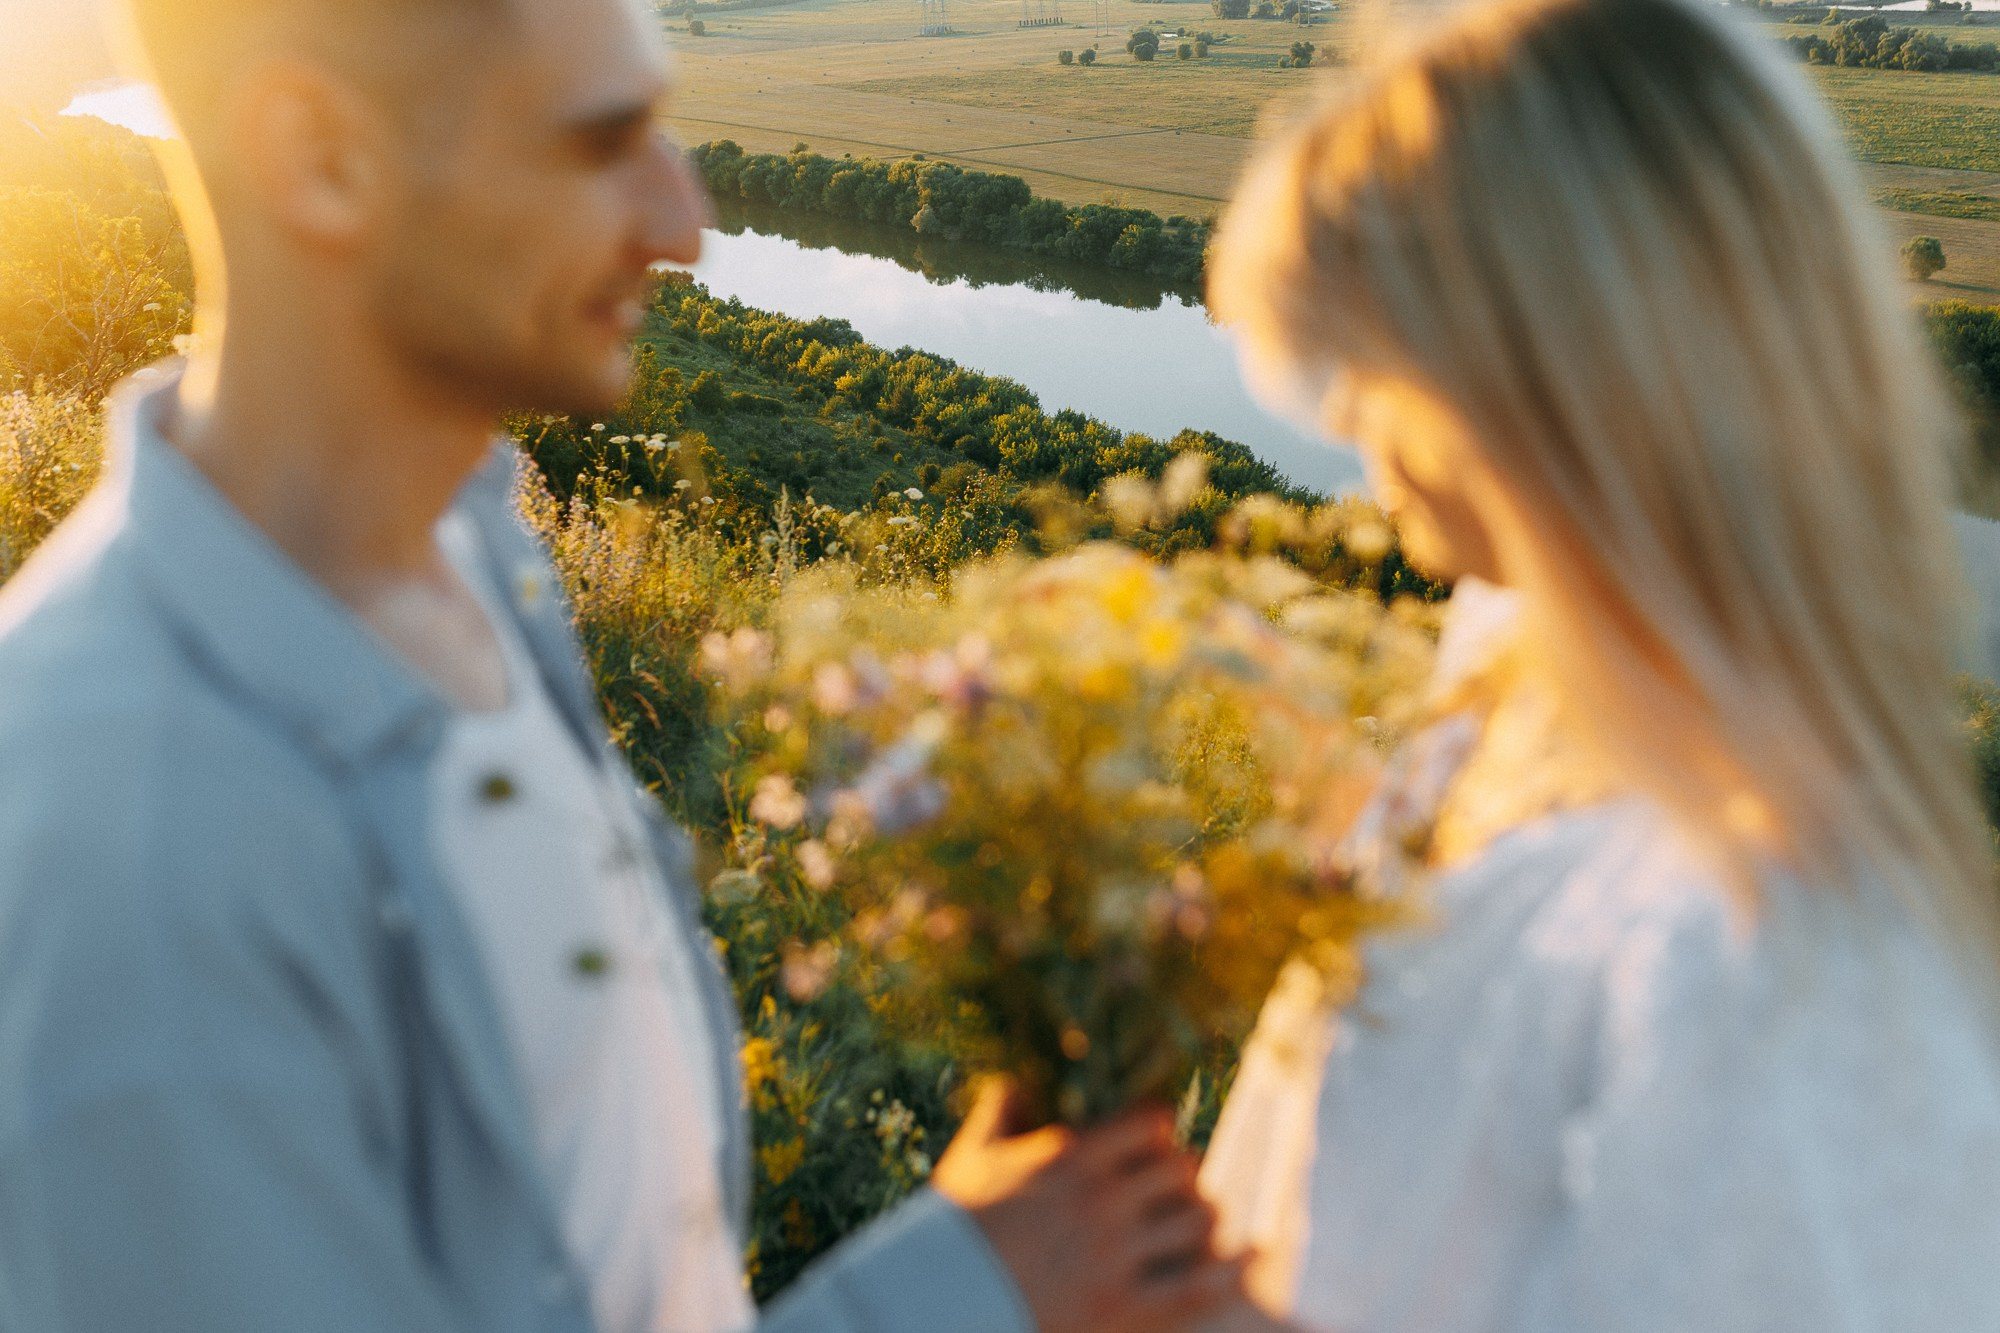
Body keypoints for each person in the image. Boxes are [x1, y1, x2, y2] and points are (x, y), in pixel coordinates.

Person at [0, 0, 1235, 1330]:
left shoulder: (473, 560)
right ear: (318, 156)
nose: (685, 221)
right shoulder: (128, 832)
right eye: (605, 141)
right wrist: (956, 1295)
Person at [1193, 0, 2000, 1327]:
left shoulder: (1782, 961)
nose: (1353, 430)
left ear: (1528, 382)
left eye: (1368, 369)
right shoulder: (1523, 711)